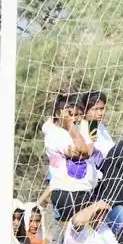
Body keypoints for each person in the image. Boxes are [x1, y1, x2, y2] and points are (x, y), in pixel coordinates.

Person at [43, 93, 98, 222]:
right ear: (59, 113)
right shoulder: (56, 135)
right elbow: (83, 151)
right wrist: (70, 125)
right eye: (72, 114)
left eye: (79, 115)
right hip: (68, 192)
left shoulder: (71, 132)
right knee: (71, 230)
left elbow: (89, 150)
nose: (76, 119)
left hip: (80, 191)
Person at [79, 90, 115, 169]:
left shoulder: (99, 125)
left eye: (102, 108)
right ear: (85, 110)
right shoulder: (84, 128)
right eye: (95, 109)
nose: (100, 113)